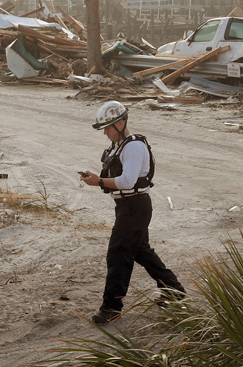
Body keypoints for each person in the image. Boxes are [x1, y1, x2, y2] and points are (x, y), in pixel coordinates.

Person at [79, 101, 185, 324]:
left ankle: (111, 307)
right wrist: (98, 180)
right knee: (140, 251)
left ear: (119, 124)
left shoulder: (133, 147)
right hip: (129, 206)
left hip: (135, 207)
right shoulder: (120, 146)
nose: (105, 133)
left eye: (107, 128)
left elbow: (127, 181)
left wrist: (99, 182)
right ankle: (174, 290)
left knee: (118, 254)